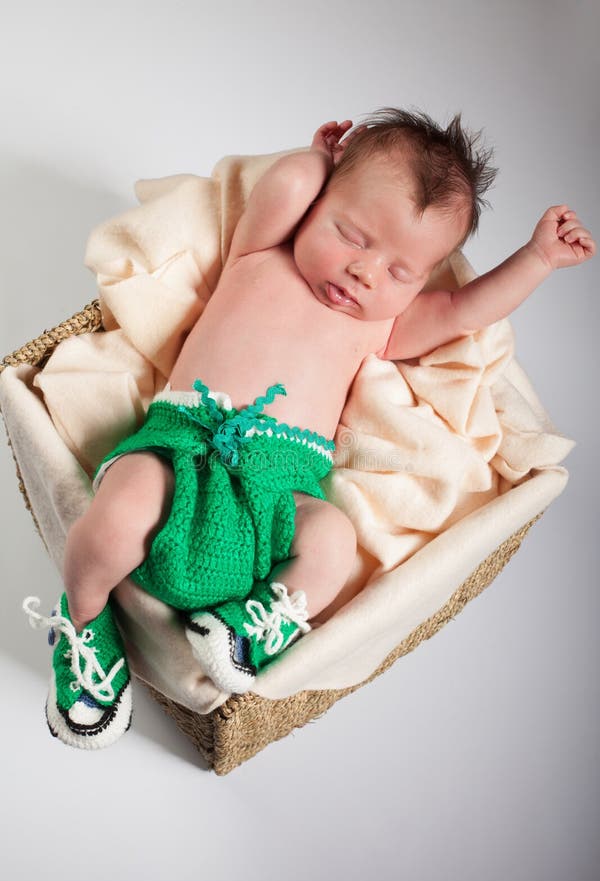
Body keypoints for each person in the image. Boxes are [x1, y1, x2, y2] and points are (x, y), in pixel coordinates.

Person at [23, 108, 595, 750]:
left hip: (281, 489)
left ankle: (249, 625)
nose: (365, 272)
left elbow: (465, 309)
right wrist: (316, 158)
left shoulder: (381, 327)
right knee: (114, 513)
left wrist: (538, 257)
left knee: (334, 540)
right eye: (351, 234)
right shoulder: (259, 256)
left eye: (401, 272)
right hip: (182, 446)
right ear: (317, 205)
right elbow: (285, 190)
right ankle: (86, 619)